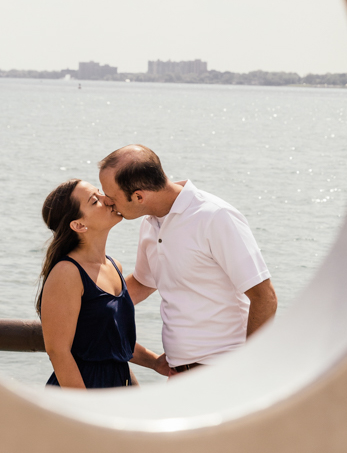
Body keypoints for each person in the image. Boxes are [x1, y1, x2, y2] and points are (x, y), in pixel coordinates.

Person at [99, 146, 277, 374]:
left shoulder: (215, 216)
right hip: (178, 372)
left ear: (138, 196)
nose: (107, 202)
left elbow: (265, 296)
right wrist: (92, 304)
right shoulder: (150, 223)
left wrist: (245, 366)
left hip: (221, 370)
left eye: (111, 197)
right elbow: (144, 283)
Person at [36, 178, 170, 388]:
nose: (107, 199)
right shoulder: (67, 272)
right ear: (79, 225)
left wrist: (154, 362)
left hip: (118, 388)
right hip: (82, 392)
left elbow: (110, 339)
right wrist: (85, 411)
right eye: (94, 200)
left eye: (99, 192)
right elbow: (58, 352)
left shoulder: (113, 266)